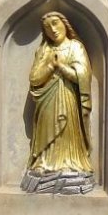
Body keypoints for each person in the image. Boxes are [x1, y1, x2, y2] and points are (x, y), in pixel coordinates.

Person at [22, 11, 94, 192]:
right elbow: (34, 78)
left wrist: (61, 67)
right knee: (46, 129)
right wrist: (49, 66)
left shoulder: (75, 47)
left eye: (55, 23)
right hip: (47, 99)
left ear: (65, 23)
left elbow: (83, 76)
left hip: (68, 98)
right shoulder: (44, 50)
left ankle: (69, 165)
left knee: (67, 131)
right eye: (47, 27)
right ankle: (43, 163)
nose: (52, 30)